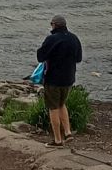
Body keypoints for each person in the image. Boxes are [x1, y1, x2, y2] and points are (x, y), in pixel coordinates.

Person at [36, 15, 83, 146]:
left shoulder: (52, 39)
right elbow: (78, 58)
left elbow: (40, 56)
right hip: (68, 79)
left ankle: (57, 140)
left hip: (53, 79)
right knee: (62, 104)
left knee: (53, 108)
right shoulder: (74, 38)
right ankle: (67, 132)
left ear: (54, 25)